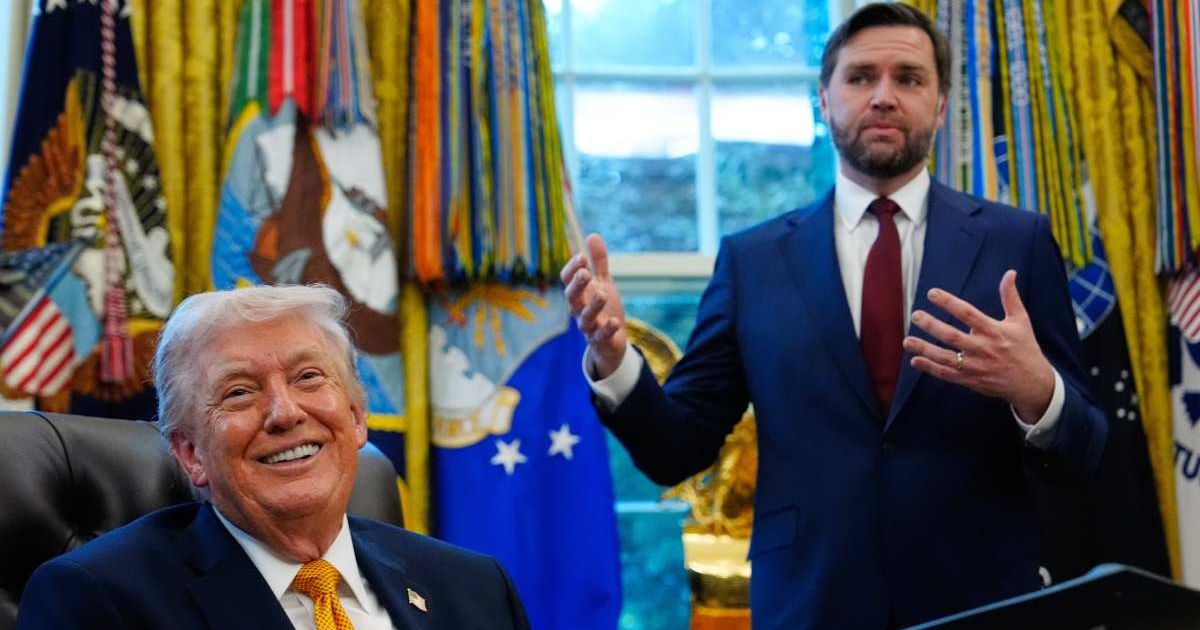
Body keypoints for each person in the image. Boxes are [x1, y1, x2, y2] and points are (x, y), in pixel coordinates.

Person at [561, 3, 1107, 628]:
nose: (883, 96)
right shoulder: (754, 261)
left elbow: (1086, 455)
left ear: (941, 102)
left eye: (908, 78)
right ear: (824, 99)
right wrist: (612, 357)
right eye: (859, 77)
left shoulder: (1018, 243)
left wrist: (1037, 392)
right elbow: (677, 449)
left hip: (979, 600)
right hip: (809, 603)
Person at [18, 284, 530, 630]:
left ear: (355, 418)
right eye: (239, 392)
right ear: (190, 453)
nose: (284, 413)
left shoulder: (476, 590)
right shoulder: (99, 601)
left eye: (308, 377)